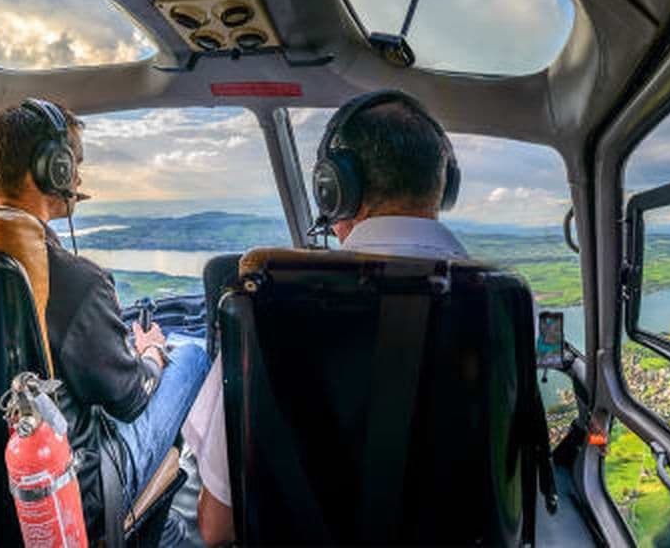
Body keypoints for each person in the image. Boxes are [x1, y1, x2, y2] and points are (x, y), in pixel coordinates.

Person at [183, 90, 468, 546]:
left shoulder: (267, 305)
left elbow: (217, 527)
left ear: (336, 191)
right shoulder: (505, 302)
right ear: (445, 185)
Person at [0, 99, 211, 542]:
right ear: (53, 170)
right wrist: (151, 354)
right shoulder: (72, 280)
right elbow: (128, 401)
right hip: (77, 483)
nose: (78, 178)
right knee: (193, 356)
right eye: (74, 164)